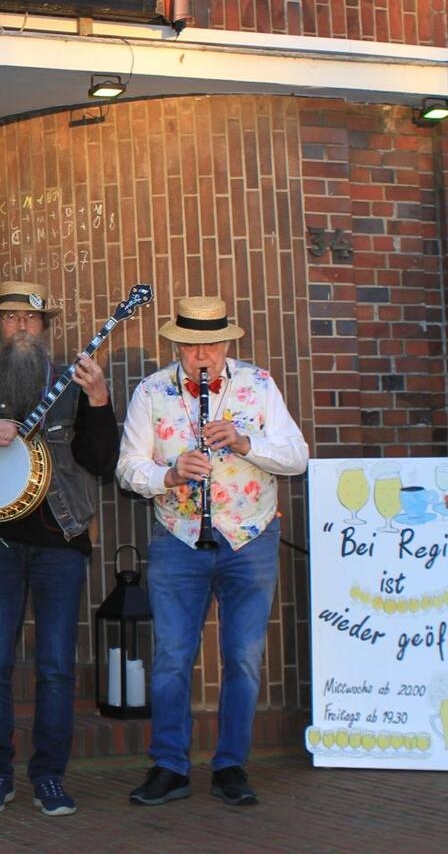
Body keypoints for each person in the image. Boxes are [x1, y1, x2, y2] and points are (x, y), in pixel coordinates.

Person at [116, 295, 308, 808]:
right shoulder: (152, 392)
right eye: (193, 345)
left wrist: (247, 444)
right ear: (177, 344)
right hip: (179, 539)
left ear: (227, 342)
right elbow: (129, 469)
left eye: (213, 344)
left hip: (250, 537)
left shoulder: (259, 385)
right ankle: (170, 767)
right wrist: (171, 474)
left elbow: (296, 457)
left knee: (243, 658)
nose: (204, 355)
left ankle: (230, 766)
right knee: (173, 658)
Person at [0, 280, 120, 818]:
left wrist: (99, 401)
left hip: (60, 540)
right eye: (9, 319)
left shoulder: (73, 386)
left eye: (30, 319)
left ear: (45, 328)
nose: (20, 327)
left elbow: (101, 460)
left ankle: (49, 775)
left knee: (54, 665)